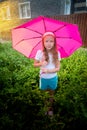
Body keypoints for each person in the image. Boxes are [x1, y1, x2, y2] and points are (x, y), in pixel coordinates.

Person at [34, 32, 61, 116]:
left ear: (54, 42)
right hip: (43, 78)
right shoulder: (39, 52)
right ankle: (45, 107)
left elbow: (58, 68)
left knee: (51, 94)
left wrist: (48, 71)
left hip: (53, 78)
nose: (49, 44)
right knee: (44, 94)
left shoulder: (57, 53)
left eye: (51, 41)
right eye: (46, 41)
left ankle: (50, 109)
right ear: (43, 42)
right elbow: (34, 65)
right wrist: (41, 63)